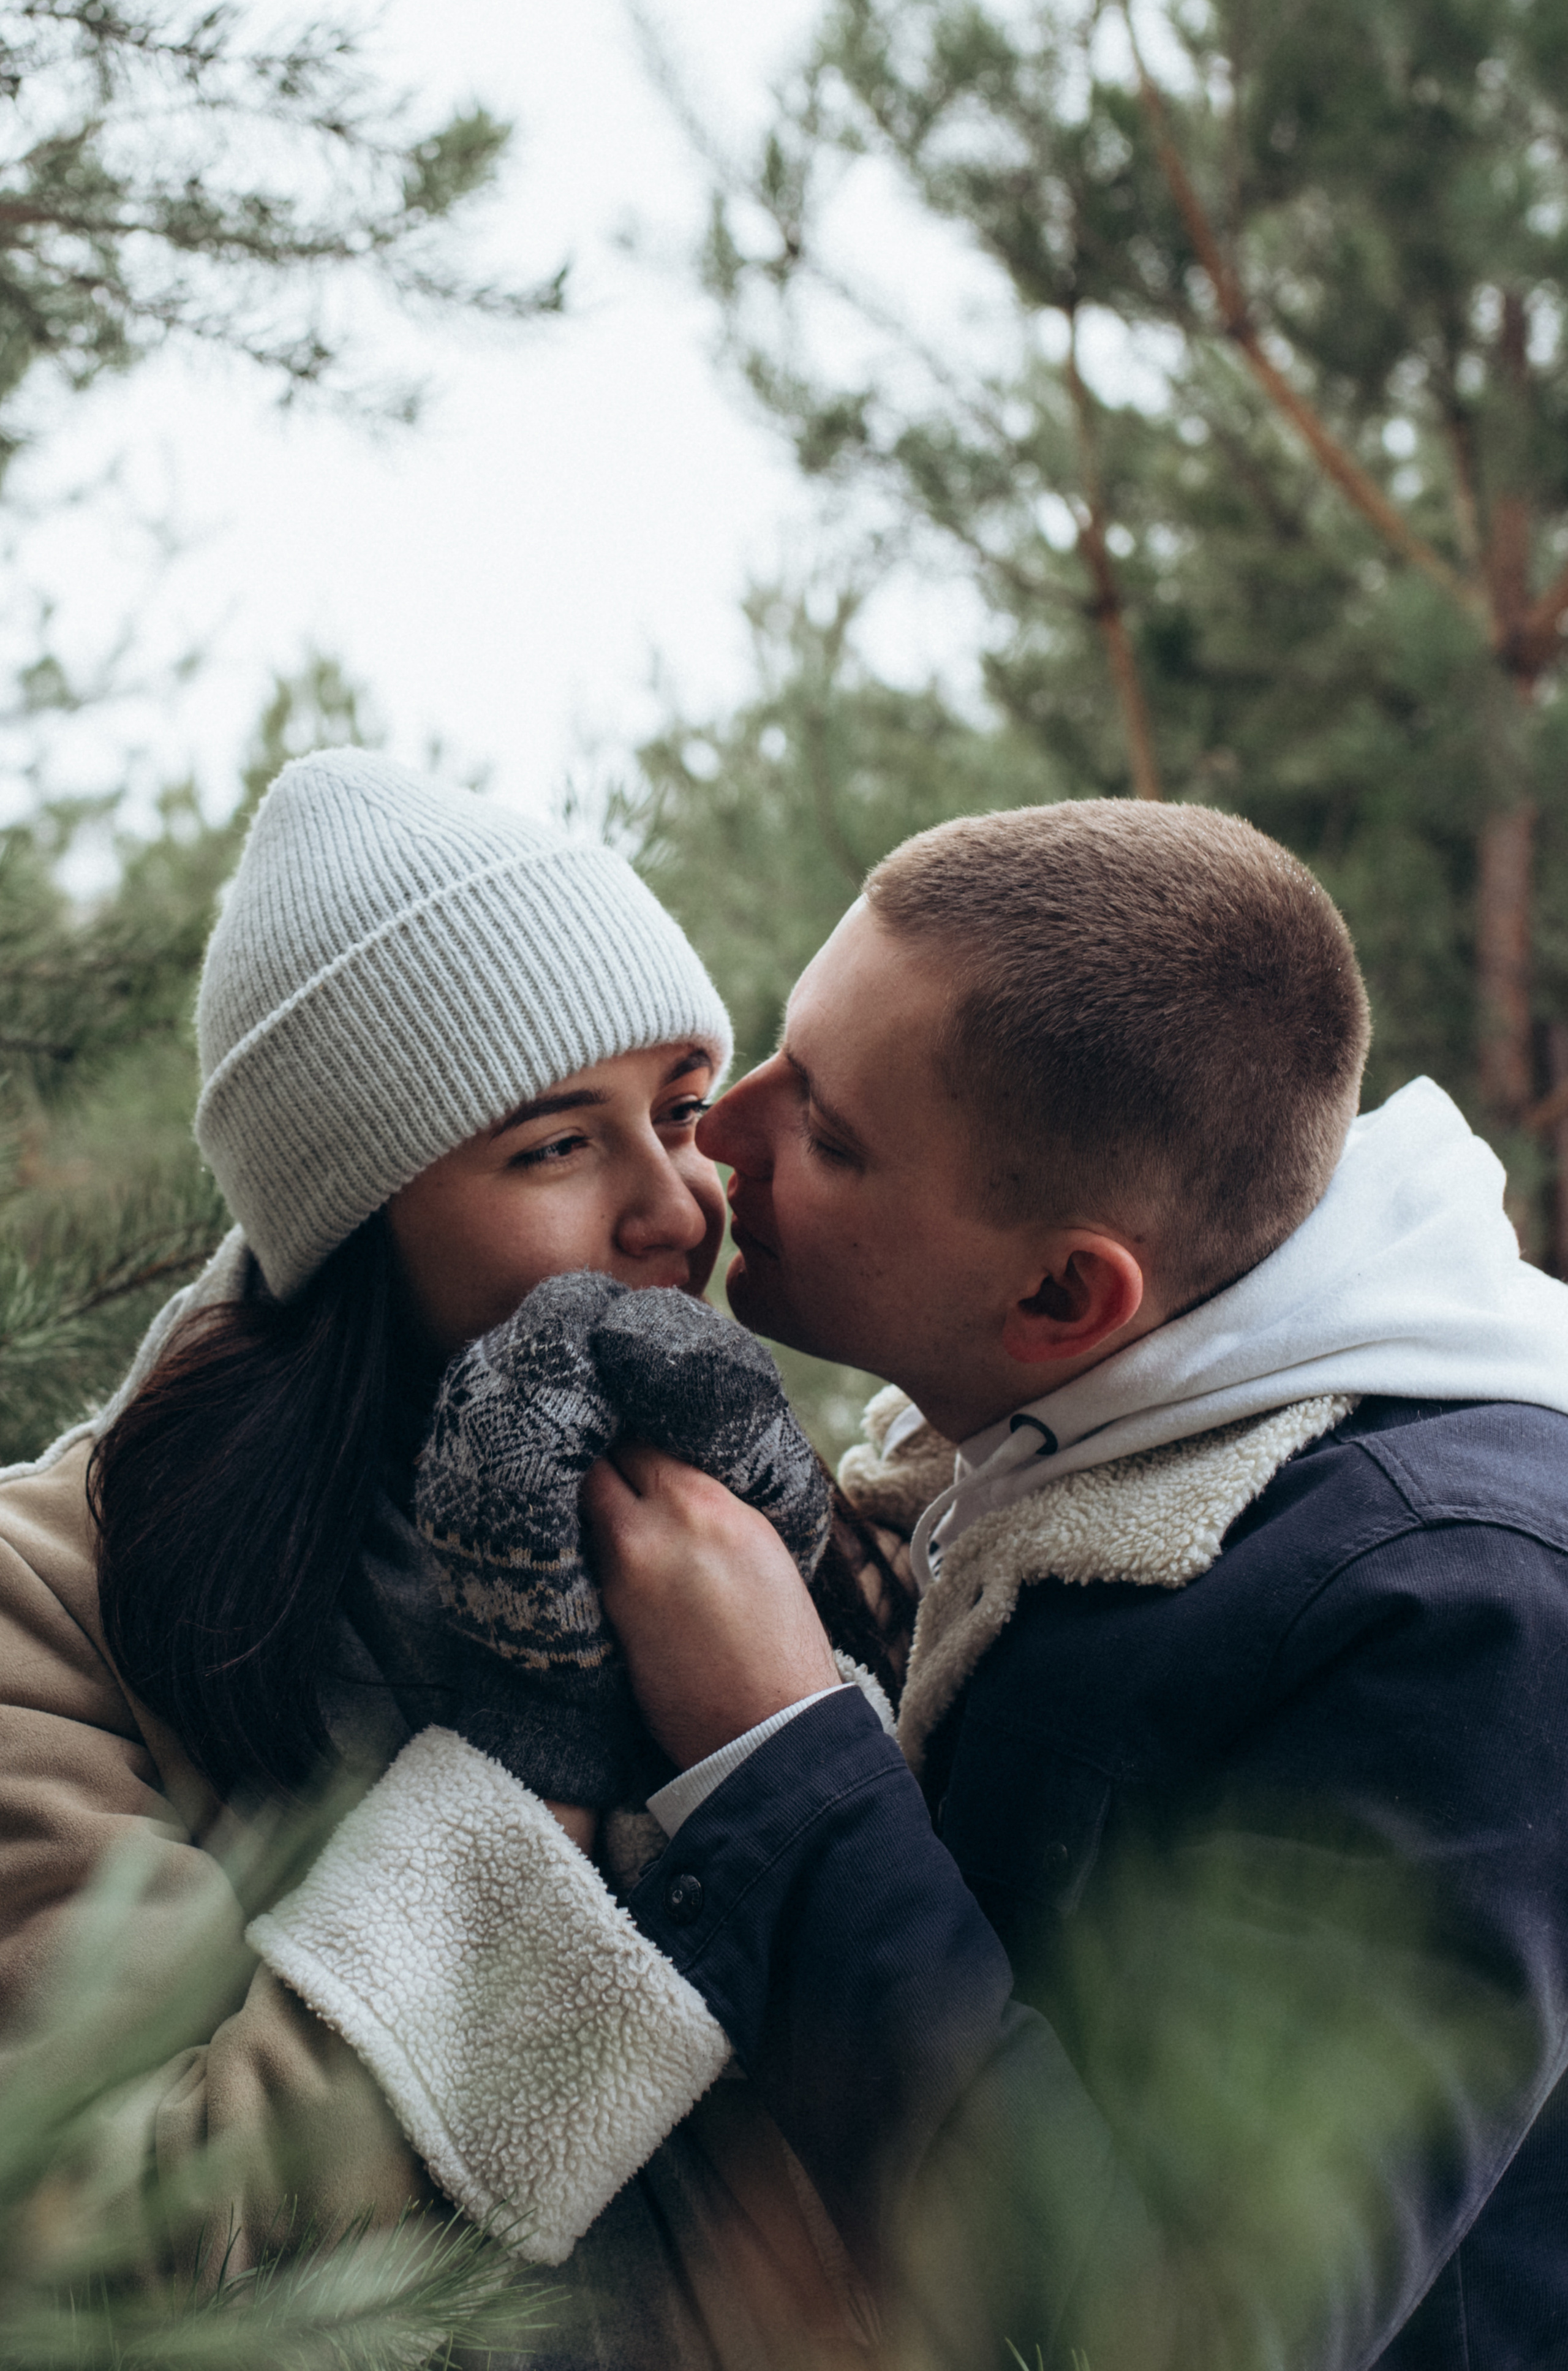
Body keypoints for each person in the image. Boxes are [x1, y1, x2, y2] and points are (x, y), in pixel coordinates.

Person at [563, 801, 1568, 2370]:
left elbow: (1194, 2324)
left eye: (825, 1131)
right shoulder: (1058, 1435)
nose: (724, 1132)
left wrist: (772, 1750)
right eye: (777, 1052)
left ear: (1059, 1292)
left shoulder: (1455, 1617)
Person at [0, 747, 876, 2367]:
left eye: (682, 1112)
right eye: (557, 1144)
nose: (676, 1203)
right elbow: (106, 2235)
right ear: (356, 1215)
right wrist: (537, 1757)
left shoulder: (740, 1513)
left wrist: (811, 1595)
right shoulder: (52, 1595)